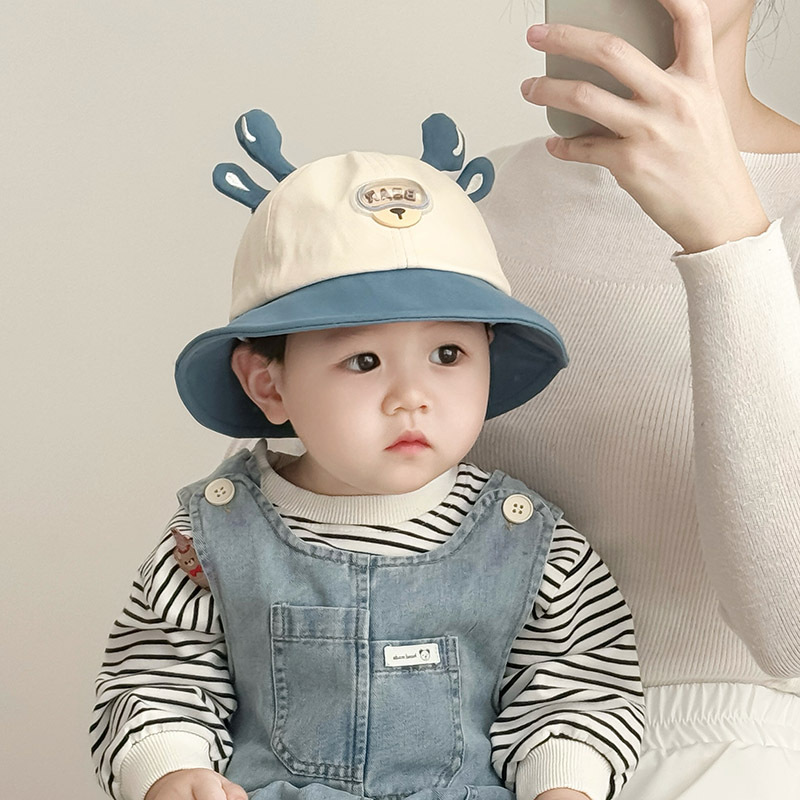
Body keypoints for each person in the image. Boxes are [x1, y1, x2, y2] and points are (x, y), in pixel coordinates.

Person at [90, 113, 646, 800]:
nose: (411, 397)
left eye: (448, 355)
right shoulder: (211, 541)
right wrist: (170, 769)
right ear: (269, 382)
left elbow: (578, 689)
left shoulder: (532, 545)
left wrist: (565, 783)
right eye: (364, 360)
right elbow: (158, 680)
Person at [469, 0, 800, 795]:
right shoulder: (453, 207)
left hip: (734, 765)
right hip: (455, 753)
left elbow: (791, 634)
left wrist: (729, 238)